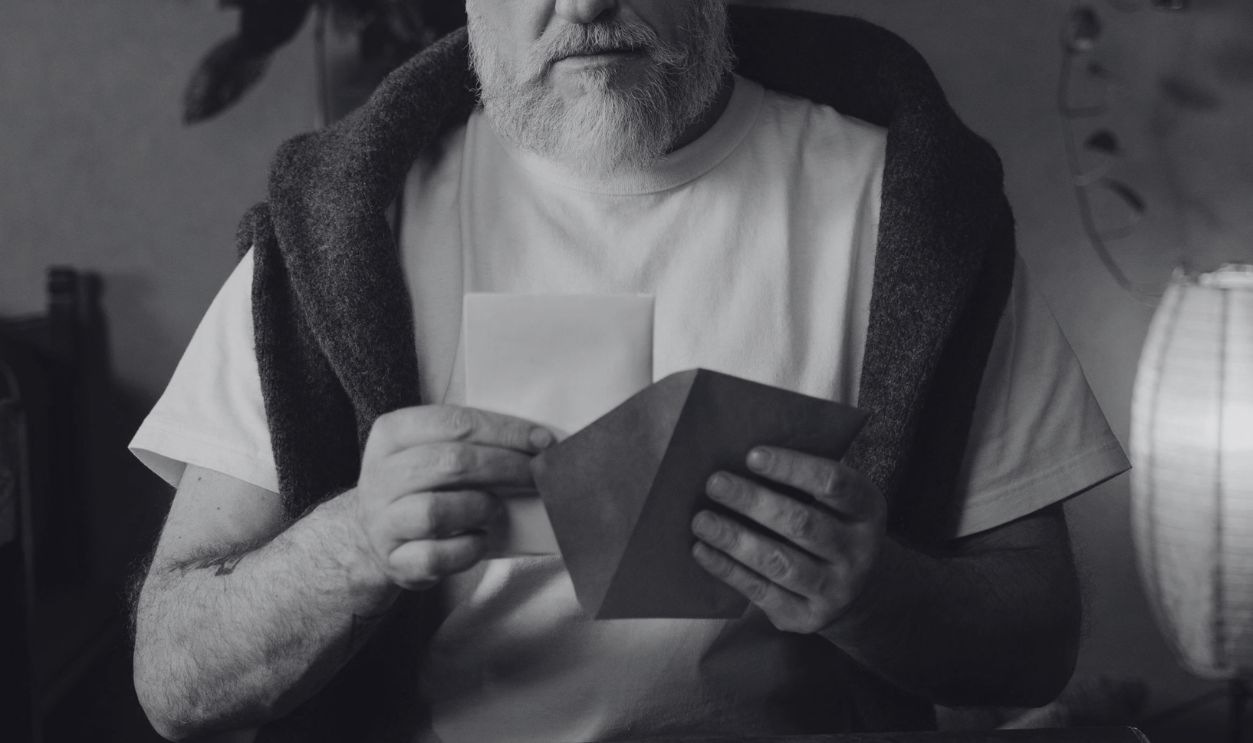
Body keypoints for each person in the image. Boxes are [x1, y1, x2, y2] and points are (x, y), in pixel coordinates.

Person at [129, 2, 1130, 742]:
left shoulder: (913, 210)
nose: (587, 3)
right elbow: (175, 679)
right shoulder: (337, 230)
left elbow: (1036, 641)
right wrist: (353, 541)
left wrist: (873, 590)